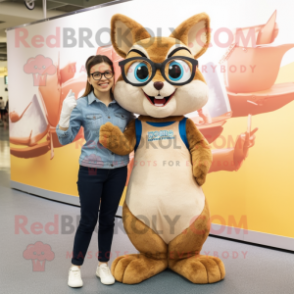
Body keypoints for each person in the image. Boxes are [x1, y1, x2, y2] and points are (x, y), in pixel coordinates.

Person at [56, 55, 135, 288]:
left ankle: (102, 265)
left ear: (113, 74)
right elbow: (65, 138)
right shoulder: (81, 105)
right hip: (91, 171)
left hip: (118, 171)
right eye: (97, 74)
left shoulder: (125, 105)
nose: (103, 78)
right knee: (89, 220)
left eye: (107, 73)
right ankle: (75, 267)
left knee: (108, 219)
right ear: (90, 77)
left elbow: (132, 134)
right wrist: (63, 117)